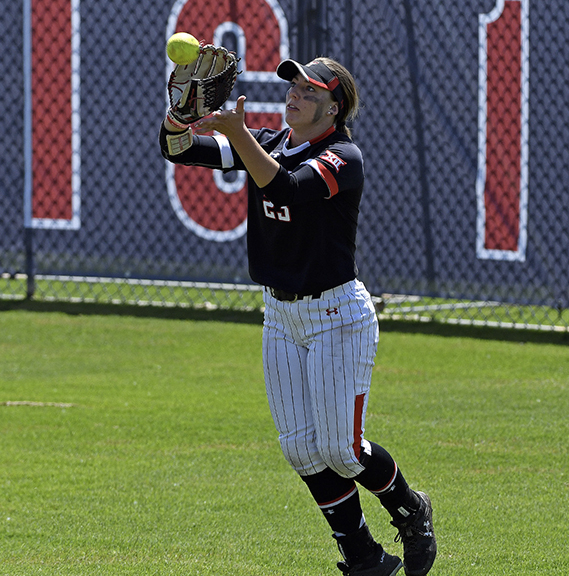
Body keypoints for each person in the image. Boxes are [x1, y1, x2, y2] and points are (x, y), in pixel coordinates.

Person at [159, 56, 437, 576]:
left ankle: (411, 510)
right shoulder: (266, 142)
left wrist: (240, 135)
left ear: (334, 107)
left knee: (342, 450)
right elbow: (178, 149)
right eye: (293, 86)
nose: (295, 95)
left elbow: (286, 188)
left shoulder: (343, 156)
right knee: (302, 451)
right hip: (280, 317)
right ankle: (363, 558)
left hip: (336, 315)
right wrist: (180, 114)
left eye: (310, 91)